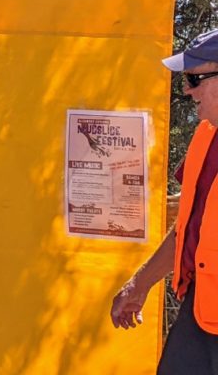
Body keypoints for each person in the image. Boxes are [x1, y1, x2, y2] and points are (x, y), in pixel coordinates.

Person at [111, 28, 218, 373]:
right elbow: (188, 229)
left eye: (195, 79)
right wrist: (139, 284)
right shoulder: (204, 137)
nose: (187, 90)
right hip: (201, 311)